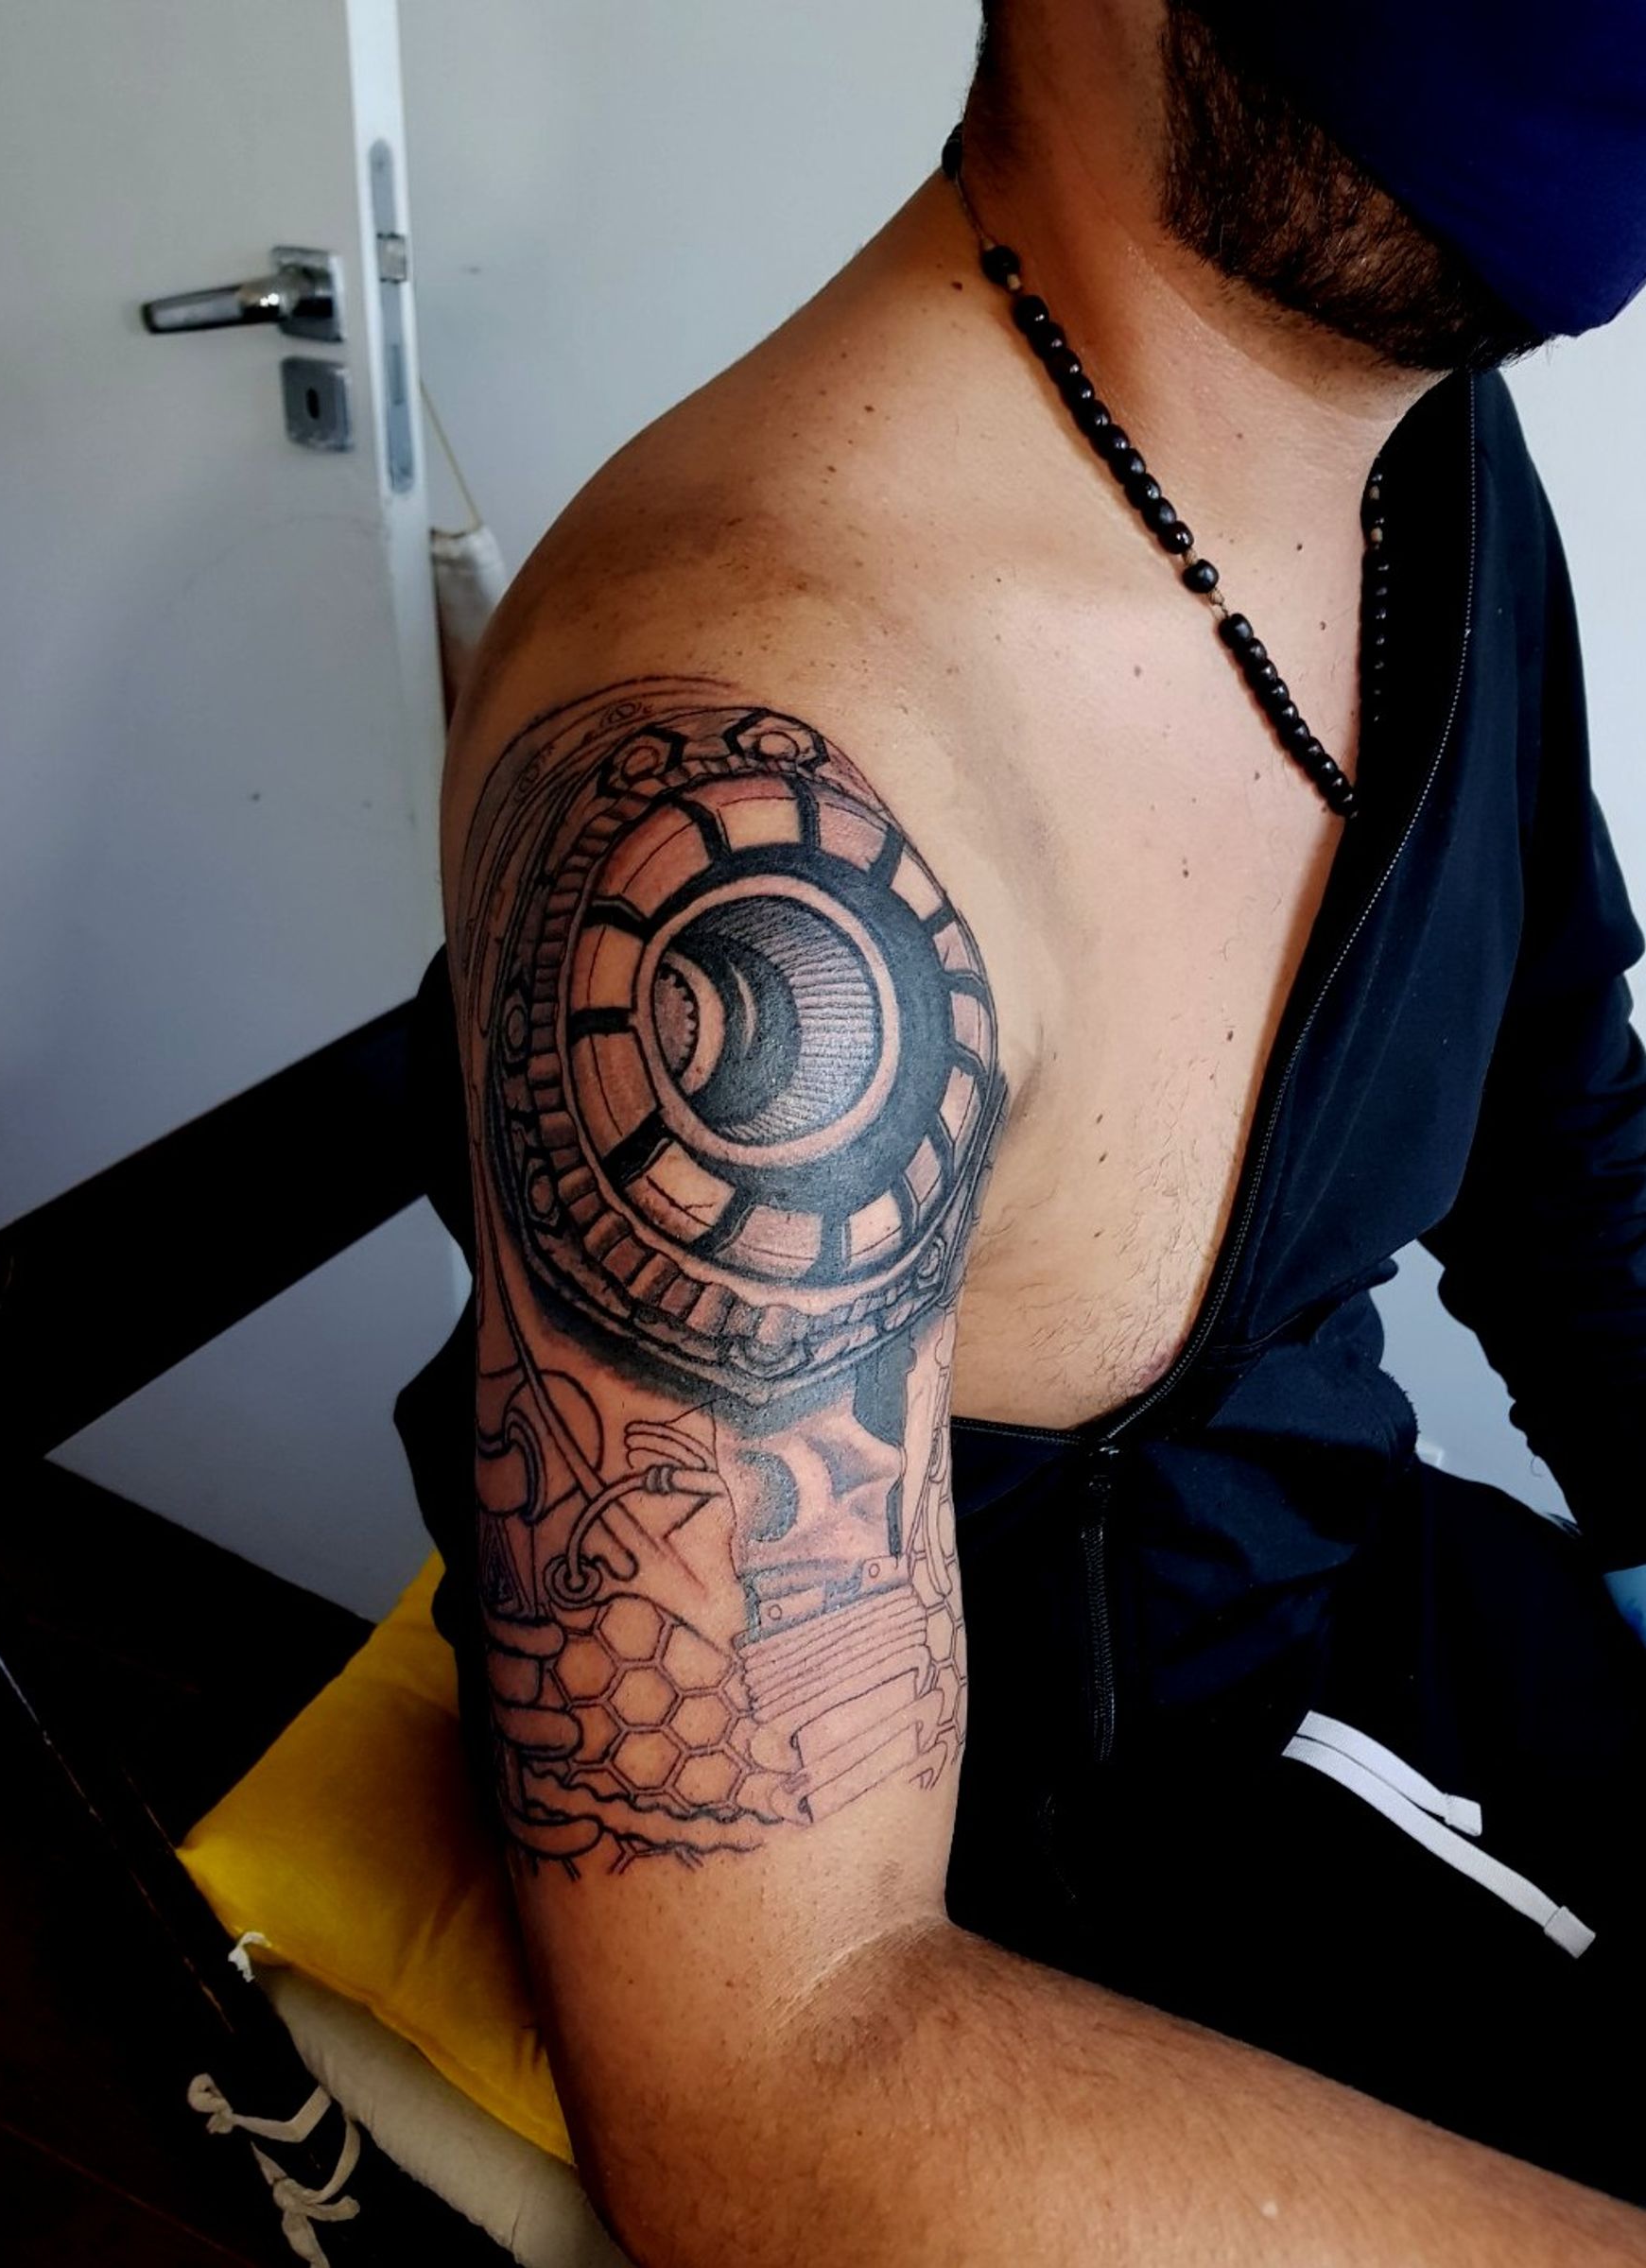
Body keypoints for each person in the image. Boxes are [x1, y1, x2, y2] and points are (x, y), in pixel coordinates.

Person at [395, 2, 1646, 2257]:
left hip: (1370, 1594)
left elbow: (1569, 1132)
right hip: (1056, 1912)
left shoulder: (1439, 478)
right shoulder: (766, 768)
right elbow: (776, 2077)